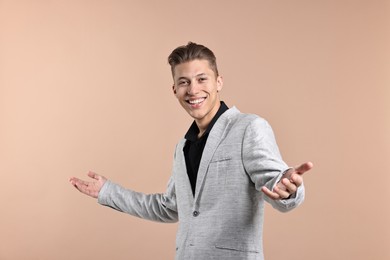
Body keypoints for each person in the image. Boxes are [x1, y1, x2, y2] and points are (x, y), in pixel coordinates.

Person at [69, 42, 313, 260]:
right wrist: (108, 192)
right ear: (174, 90)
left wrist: (288, 189)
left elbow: (276, 182)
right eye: (183, 82)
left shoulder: (248, 127)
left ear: (219, 81)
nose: (193, 90)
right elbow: (170, 207)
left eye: (202, 79)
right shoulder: (182, 147)